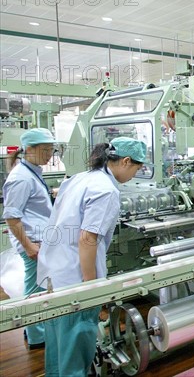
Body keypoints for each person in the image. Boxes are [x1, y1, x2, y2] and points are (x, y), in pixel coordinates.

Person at [37, 137, 147, 377]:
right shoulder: (106, 190)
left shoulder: (80, 178)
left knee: (57, 347)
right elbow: (87, 239)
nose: (135, 174)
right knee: (75, 354)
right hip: (76, 281)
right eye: (137, 169)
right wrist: (91, 286)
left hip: (54, 273)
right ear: (126, 161)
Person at [2, 128, 57, 349]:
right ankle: (37, 336)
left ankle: (31, 329)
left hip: (39, 240)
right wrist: (29, 246)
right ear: (29, 149)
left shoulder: (31, 171)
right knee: (36, 290)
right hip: (34, 243)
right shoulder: (21, 177)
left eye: (52, 149)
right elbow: (12, 217)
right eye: (45, 149)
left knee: (38, 287)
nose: (49, 154)